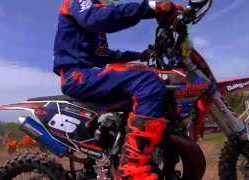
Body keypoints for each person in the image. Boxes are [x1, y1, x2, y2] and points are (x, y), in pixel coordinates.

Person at [53, 0, 180, 179]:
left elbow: (108, 55)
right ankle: (133, 169)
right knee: (148, 83)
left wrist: (141, 56)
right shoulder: (80, 4)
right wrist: (149, 6)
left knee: (142, 75)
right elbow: (99, 18)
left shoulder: (91, 22)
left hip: (87, 73)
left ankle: (131, 155)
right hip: (77, 75)